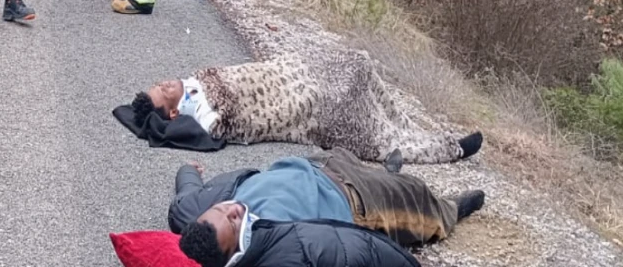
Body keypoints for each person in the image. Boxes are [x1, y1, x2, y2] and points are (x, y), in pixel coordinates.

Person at [128, 52, 484, 165]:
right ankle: (446, 148)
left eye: (160, 83)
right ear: (173, 113)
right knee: (365, 131)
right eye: (164, 92)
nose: (166, 83)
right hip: (302, 105)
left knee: (358, 63)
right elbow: (220, 127)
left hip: (290, 72)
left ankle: (409, 126)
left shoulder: (195, 79)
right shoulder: (206, 117)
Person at [171, 149, 486, 267]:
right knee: (414, 193)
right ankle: (450, 209)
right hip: (357, 199)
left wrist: (188, 169)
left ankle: (386, 174)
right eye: (232, 222)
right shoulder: (283, 254)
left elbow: (186, 193)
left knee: (351, 157)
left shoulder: (192, 213)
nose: (232, 210)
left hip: (318, 162)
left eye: (221, 209)